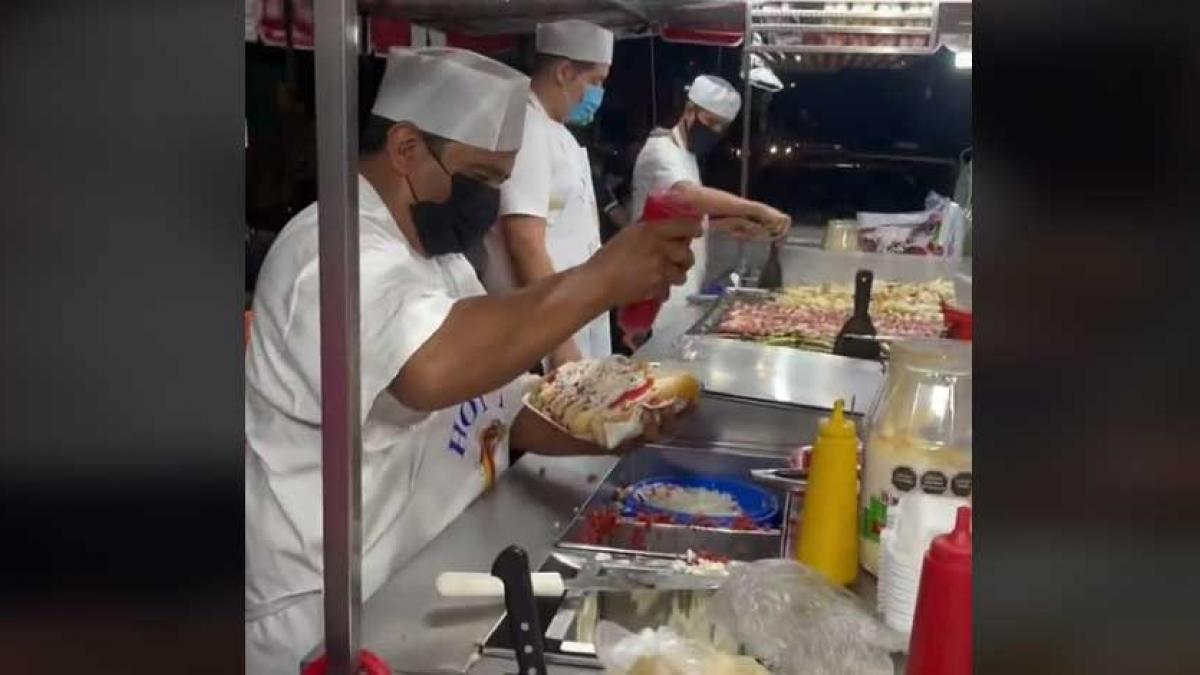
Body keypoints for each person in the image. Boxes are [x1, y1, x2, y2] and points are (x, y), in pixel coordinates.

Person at [244, 47, 699, 675]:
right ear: (406, 149)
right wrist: (598, 281)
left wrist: (616, 425)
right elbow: (428, 371)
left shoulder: (442, 256)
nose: (488, 202)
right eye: (482, 178)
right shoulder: (327, 253)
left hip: (423, 579)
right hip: (328, 615)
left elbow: (503, 407)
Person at [479, 19, 615, 370]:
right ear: (565, 71)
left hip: (568, 312)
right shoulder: (526, 126)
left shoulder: (556, 130)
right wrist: (559, 339)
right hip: (541, 328)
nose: (599, 95)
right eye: (595, 82)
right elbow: (524, 238)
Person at [629, 74, 791, 311]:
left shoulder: (687, 155)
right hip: (650, 284)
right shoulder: (660, 150)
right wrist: (758, 209)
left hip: (679, 284)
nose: (714, 131)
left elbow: (674, 217)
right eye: (711, 121)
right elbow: (688, 195)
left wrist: (726, 224)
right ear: (689, 110)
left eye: (721, 127)